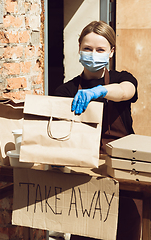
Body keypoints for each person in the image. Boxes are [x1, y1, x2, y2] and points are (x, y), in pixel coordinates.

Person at [52, 21, 141, 240]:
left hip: (124, 171)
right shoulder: (66, 91)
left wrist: (99, 91)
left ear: (111, 52)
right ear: (79, 49)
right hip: (84, 174)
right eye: (88, 49)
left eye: (100, 50)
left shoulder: (122, 79)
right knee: (84, 233)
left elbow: (125, 92)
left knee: (126, 231)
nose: (93, 54)